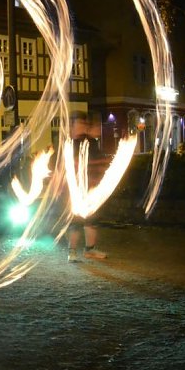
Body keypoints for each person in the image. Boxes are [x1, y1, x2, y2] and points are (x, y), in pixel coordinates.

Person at [66, 111, 108, 262]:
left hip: (91, 188)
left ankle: (90, 250)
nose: (83, 126)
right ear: (73, 125)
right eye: (80, 123)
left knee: (91, 220)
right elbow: (62, 166)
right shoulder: (68, 144)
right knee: (76, 222)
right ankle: (72, 251)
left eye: (85, 123)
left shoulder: (91, 142)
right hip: (75, 189)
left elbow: (99, 162)